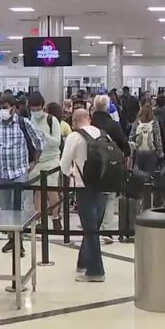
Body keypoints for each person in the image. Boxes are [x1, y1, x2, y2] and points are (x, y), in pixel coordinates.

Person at [0, 93, 44, 240]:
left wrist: (34, 162)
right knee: (5, 208)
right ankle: (11, 237)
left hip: (20, 172)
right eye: (0, 108)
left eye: (5, 108)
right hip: (1, 173)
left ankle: (18, 239)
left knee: (19, 208)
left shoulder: (24, 123)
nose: (2, 111)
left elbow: (39, 143)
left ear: (14, 108)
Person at [60, 109, 109, 282]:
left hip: (84, 186)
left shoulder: (74, 136)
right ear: (88, 118)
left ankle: (96, 271)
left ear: (74, 121)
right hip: (103, 186)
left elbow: (64, 165)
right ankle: (83, 262)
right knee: (93, 226)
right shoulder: (103, 134)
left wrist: (72, 173)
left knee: (90, 228)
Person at [92, 94, 130, 244]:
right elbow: (125, 146)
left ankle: (93, 227)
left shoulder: (89, 124)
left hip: (90, 166)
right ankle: (106, 230)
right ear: (108, 107)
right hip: (110, 166)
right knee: (109, 198)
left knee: (93, 197)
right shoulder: (113, 125)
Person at [28, 92, 63, 230]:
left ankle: (56, 217)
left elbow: (57, 142)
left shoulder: (51, 120)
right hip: (37, 160)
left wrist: (44, 136)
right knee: (38, 191)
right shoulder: (29, 121)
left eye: (38, 109)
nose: (36, 112)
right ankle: (39, 219)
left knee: (51, 189)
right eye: (33, 109)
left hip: (52, 159)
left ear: (43, 107)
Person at [130, 103, 165, 177]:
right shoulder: (154, 123)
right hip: (151, 152)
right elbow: (158, 139)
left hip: (138, 152)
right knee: (149, 175)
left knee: (138, 174)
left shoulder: (137, 122)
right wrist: (160, 153)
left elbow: (131, 137)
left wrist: (131, 154)